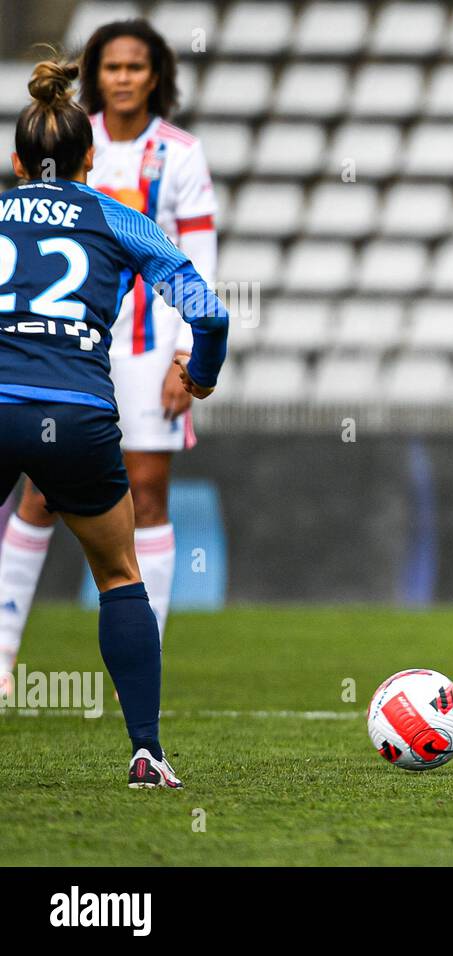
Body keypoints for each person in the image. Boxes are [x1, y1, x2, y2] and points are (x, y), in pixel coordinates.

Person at [0, 55, 227, 787]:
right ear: (88, 157)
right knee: (119, 575)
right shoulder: (114, 216)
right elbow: (209, 309)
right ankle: (146, 751)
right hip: (79, 414)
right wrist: (201, 372)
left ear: (14, 158)